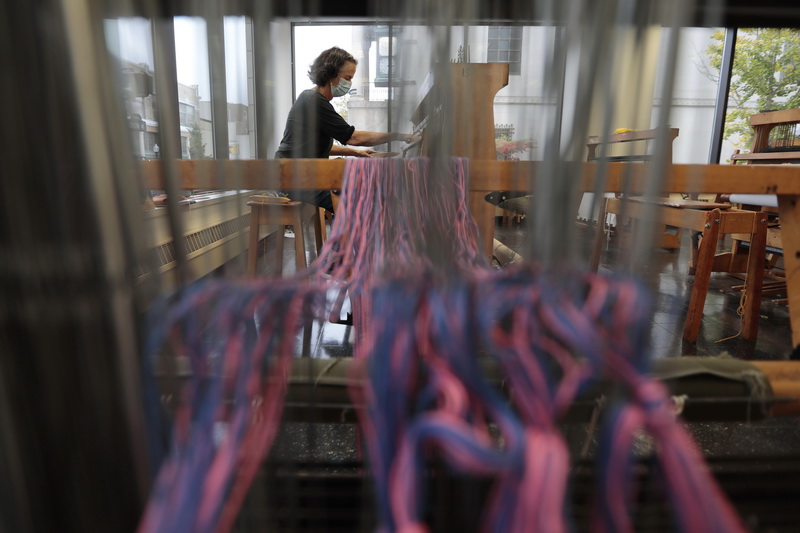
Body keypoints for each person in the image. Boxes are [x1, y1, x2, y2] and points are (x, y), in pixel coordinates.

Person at [275, 46, 418, 212]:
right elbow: (354, 137)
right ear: (331, 75)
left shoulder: (311, 99)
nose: (349, 84)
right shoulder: (314, 101)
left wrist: (356, 153)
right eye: (347, 78)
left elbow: (319, 147)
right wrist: (398, 135)